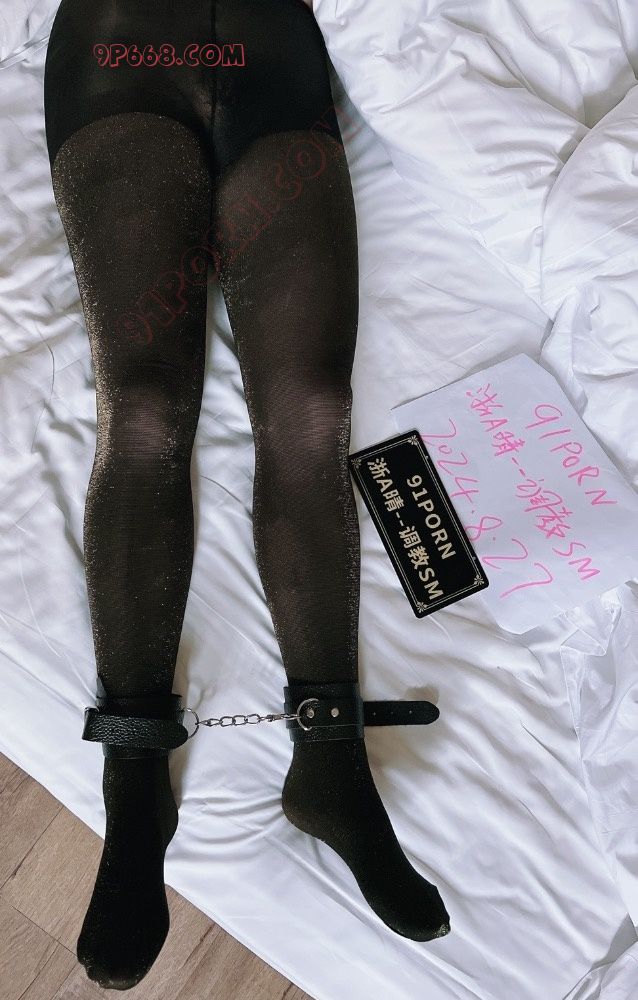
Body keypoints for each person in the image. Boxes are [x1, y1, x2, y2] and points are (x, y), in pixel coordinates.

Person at [44, 0, 450, 988]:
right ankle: (135, 779)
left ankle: (331, 761)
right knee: (142, 409)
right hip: (121, 53)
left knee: (313, 408)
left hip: (267, 52)